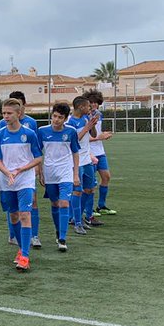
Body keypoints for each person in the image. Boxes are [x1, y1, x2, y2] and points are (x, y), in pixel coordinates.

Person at [0, 99, 43, 271]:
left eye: (9, 113)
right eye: (3, 113)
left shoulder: (29, 134)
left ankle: (25, 257)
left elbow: (38, 157)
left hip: (25, 179)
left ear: (18, 114)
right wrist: (7, 172)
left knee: (25, 214)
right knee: (13, 216)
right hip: (6, 180)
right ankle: (21, 249)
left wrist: (22, 169)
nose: (5, 116)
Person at [36, 102, 81, 252]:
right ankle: (58, 231)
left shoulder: (71, 132)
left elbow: (75, 152)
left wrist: (75, 174)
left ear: (65, 119)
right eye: (54, 116)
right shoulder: (42, 131)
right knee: (55, 204)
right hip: (49, 173)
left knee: (64, 203)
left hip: (66, 172)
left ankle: (62, 238)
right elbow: (37, 153)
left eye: (60, 117)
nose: (56, 120)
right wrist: (40, 171)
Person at [65, 95, 99, 233]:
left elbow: (94, 135)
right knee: (77, 191)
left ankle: (77, 217)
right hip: (76, 161)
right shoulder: (70, 122)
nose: (90, 108)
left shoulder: (85, 118)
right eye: (87, 106)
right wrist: (86, 127)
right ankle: (77, 222)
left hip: (87, 160)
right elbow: (73, 142)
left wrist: (92, 125)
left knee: (89, 190)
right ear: (80, 107)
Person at [86, 90, 117, 215]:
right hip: (88, 153)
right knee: (90, 182)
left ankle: (101, 205)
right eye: (91, 103)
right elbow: (83, 138)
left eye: (96, 103)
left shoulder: (99, 114)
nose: (93, 105)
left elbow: (97, 133)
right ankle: (88, 209)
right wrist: (100, 137)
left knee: (106, 177)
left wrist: (104, 135)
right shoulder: (83, 117)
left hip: (100, 151)